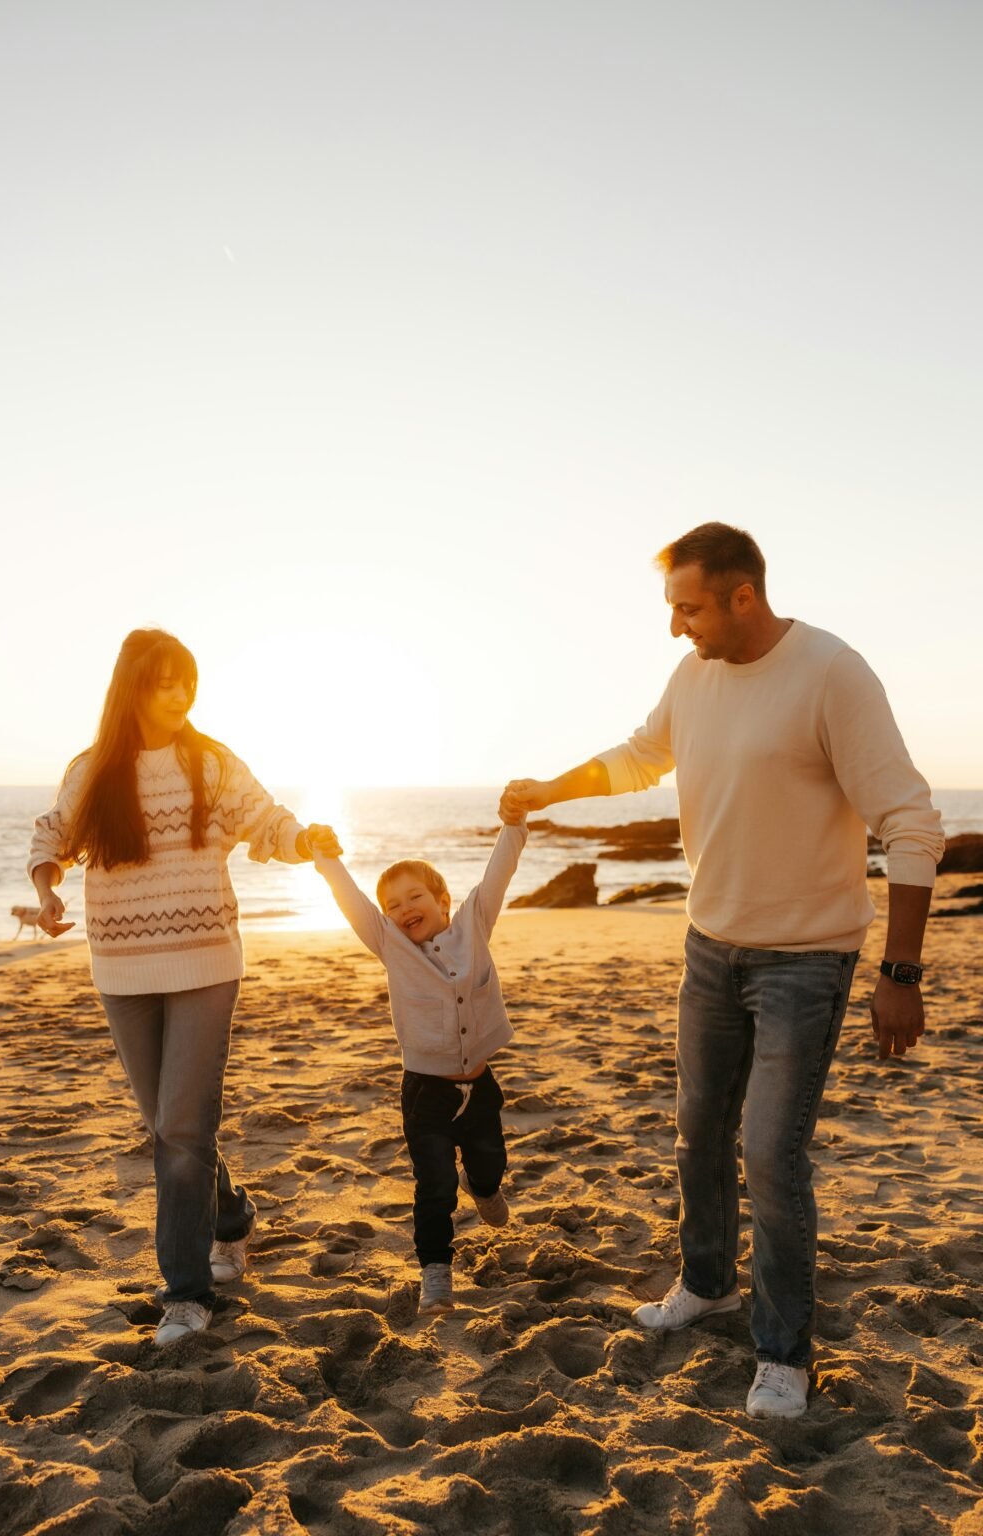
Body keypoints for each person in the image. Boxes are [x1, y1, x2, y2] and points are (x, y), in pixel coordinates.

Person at [500, 523, 944, 1419]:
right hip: (711, 949)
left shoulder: (832, 673)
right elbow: (641, 754)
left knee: (770, 1157)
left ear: (743, 596)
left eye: (689, 608)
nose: (676, 628)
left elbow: (911, 821)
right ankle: (707, 1284)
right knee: (698, 1135)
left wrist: (901, 970)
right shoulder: (693, 674)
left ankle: (784, 1353)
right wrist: (553, 787)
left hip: (807, 961)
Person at [27, 628, 341, 1345]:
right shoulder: (92, 772)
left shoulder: (210, 763)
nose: (180, 693)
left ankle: (185, 1296)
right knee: (172, 1127)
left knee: (179, 1128)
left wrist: (307, 841)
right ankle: (230, 1217)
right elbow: (52, 837)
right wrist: (47, 894)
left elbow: (268, 822)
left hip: (205, 964)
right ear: (134, 687)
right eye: (165, 681)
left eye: (187, 681)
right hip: (122, 969)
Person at [306, 818, 528, 1313]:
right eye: (393, 905)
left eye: (415, 897)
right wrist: (326, 860)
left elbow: (499, 873)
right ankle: (436, 1273)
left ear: (442, 901)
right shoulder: (392, 947)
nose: (404, 909)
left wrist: (515, 822)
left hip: (481, 1088)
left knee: (489, 1167)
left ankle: (483, 1185)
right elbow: (353, 902)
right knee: (436, 1186)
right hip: (427, 1094)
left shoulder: (474, 925)